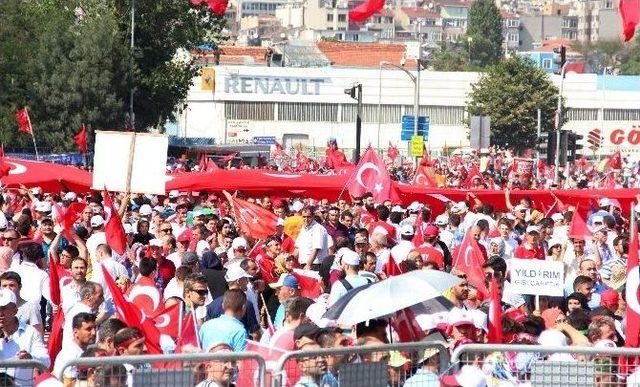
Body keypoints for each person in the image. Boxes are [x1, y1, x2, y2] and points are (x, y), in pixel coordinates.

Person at [0, 288, 49, 382]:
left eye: (4, 308)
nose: (0, 313)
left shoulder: (30, 332)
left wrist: (31, 358)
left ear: (15, 309)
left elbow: (46, 361)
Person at [205, 265, 260, 339]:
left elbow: (208, 331)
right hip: (241, 349)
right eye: (245, 279)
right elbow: (255, 334)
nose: (247, 282)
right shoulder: (246, 304)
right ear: (239, 281)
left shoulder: (213, 305)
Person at [53, 312, 97, 383]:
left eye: (95, 328)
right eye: (89, 329)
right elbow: (69, 384)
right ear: (75, 331)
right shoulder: (71, 355)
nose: (94, 333)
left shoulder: (82, 351)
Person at [0, 271, 43, 337]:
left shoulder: (31, 307)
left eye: (11, 285)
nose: (8, 288)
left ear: (19, 287)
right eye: (4, 286)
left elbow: (38, 333)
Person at [63, 281, 104, 346]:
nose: (103, 299)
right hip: (79, 354)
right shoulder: (83, 313)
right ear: (88, 297)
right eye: (100, 296)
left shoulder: (80, 309)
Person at [295, 206, 331, 271]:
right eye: (304, 217)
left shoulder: (318, 228)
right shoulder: (303, 228)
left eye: (308, 217)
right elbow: (297, 248)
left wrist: (308, 265)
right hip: (304, 264)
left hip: (314, 265)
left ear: (313, 216)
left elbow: (316, 249)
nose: (306, 219)